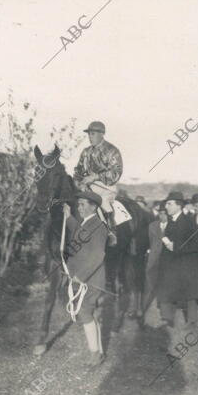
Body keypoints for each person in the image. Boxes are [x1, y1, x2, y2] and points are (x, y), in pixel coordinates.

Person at [62, 191, 109, 367]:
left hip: (91, 279)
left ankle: (95, 354)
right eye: (79, 204)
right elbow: (79, 232)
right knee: (88, 313)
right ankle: (98, 352)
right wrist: (68, 217)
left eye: (83, 204)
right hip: (86, 278)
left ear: (94, 207)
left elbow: (98, 255)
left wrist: (80, 277)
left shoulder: (99, 226)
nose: (79, 208)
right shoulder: (89, 223)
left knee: (84, 312)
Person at [155, 192, 198, 329]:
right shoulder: (170, 221)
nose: (166, 206)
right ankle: (167, 318)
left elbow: (195, 244)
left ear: (179, 206)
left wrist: (176, 247)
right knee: (167, 287)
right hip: (171, 262)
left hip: (186, 262)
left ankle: (192, 320)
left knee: (190, 293)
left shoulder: (188, 221)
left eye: (169, 204)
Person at [73, 121, 123, 243]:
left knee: (103, 203)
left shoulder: (112, 151)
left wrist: (95, 177)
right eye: (89, 134)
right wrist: (78, 182)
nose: (90, 137)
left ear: (102, 134)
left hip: (106, 187)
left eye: (93, 134)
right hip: (87, 188)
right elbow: (78, 170)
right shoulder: (86, 152)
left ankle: (111, 233)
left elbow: (117, 172)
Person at [142, 202, 168, 323]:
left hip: (165, 260)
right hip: (152, 259)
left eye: (165, 214)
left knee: (164, 285)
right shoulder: (152, 226)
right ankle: (142, 310)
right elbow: (148, 241)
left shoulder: (173, 226)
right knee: (148, 285)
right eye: (160, 213)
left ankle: (165, 313)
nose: (162, 216)